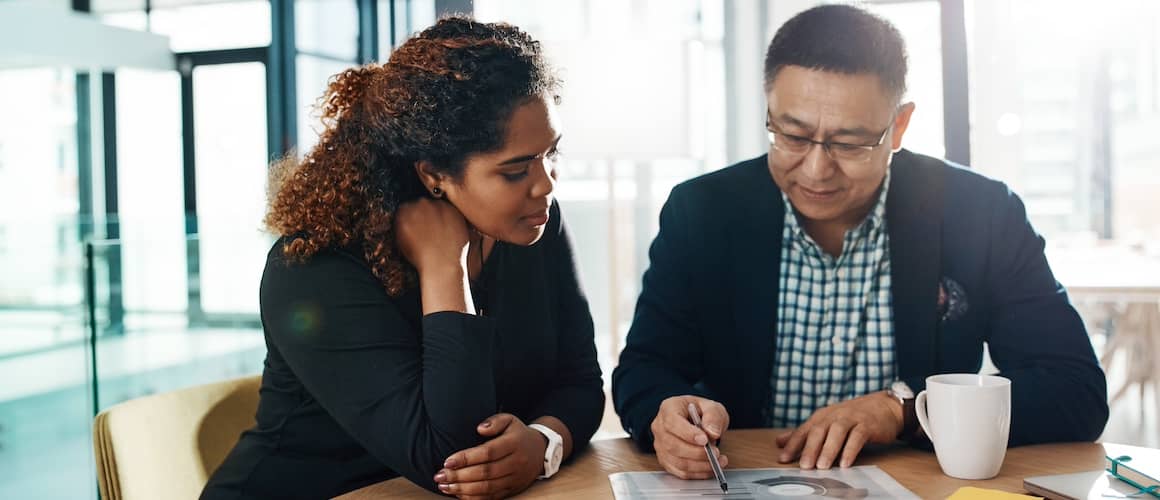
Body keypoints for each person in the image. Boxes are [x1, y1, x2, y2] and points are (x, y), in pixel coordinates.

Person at [612, 3, 1108, 480]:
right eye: (793, 135)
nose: (815, 169)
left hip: (919, 486)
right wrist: (668, 414)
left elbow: (1076, 390)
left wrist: (909, 410)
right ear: (769, 110)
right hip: (745, 479)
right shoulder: (702, 211)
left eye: (849, 144)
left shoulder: (980, 213)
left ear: (899, 126)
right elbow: (644, 368)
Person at [201, 17, 604, 500]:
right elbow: (449, 459)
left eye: (551, 153)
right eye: (516, 169)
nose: (546, 184)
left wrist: (543, 444)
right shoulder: (314, 269)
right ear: (434, 173)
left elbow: (580, 381)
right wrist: (443, 268)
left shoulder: (533, 222)